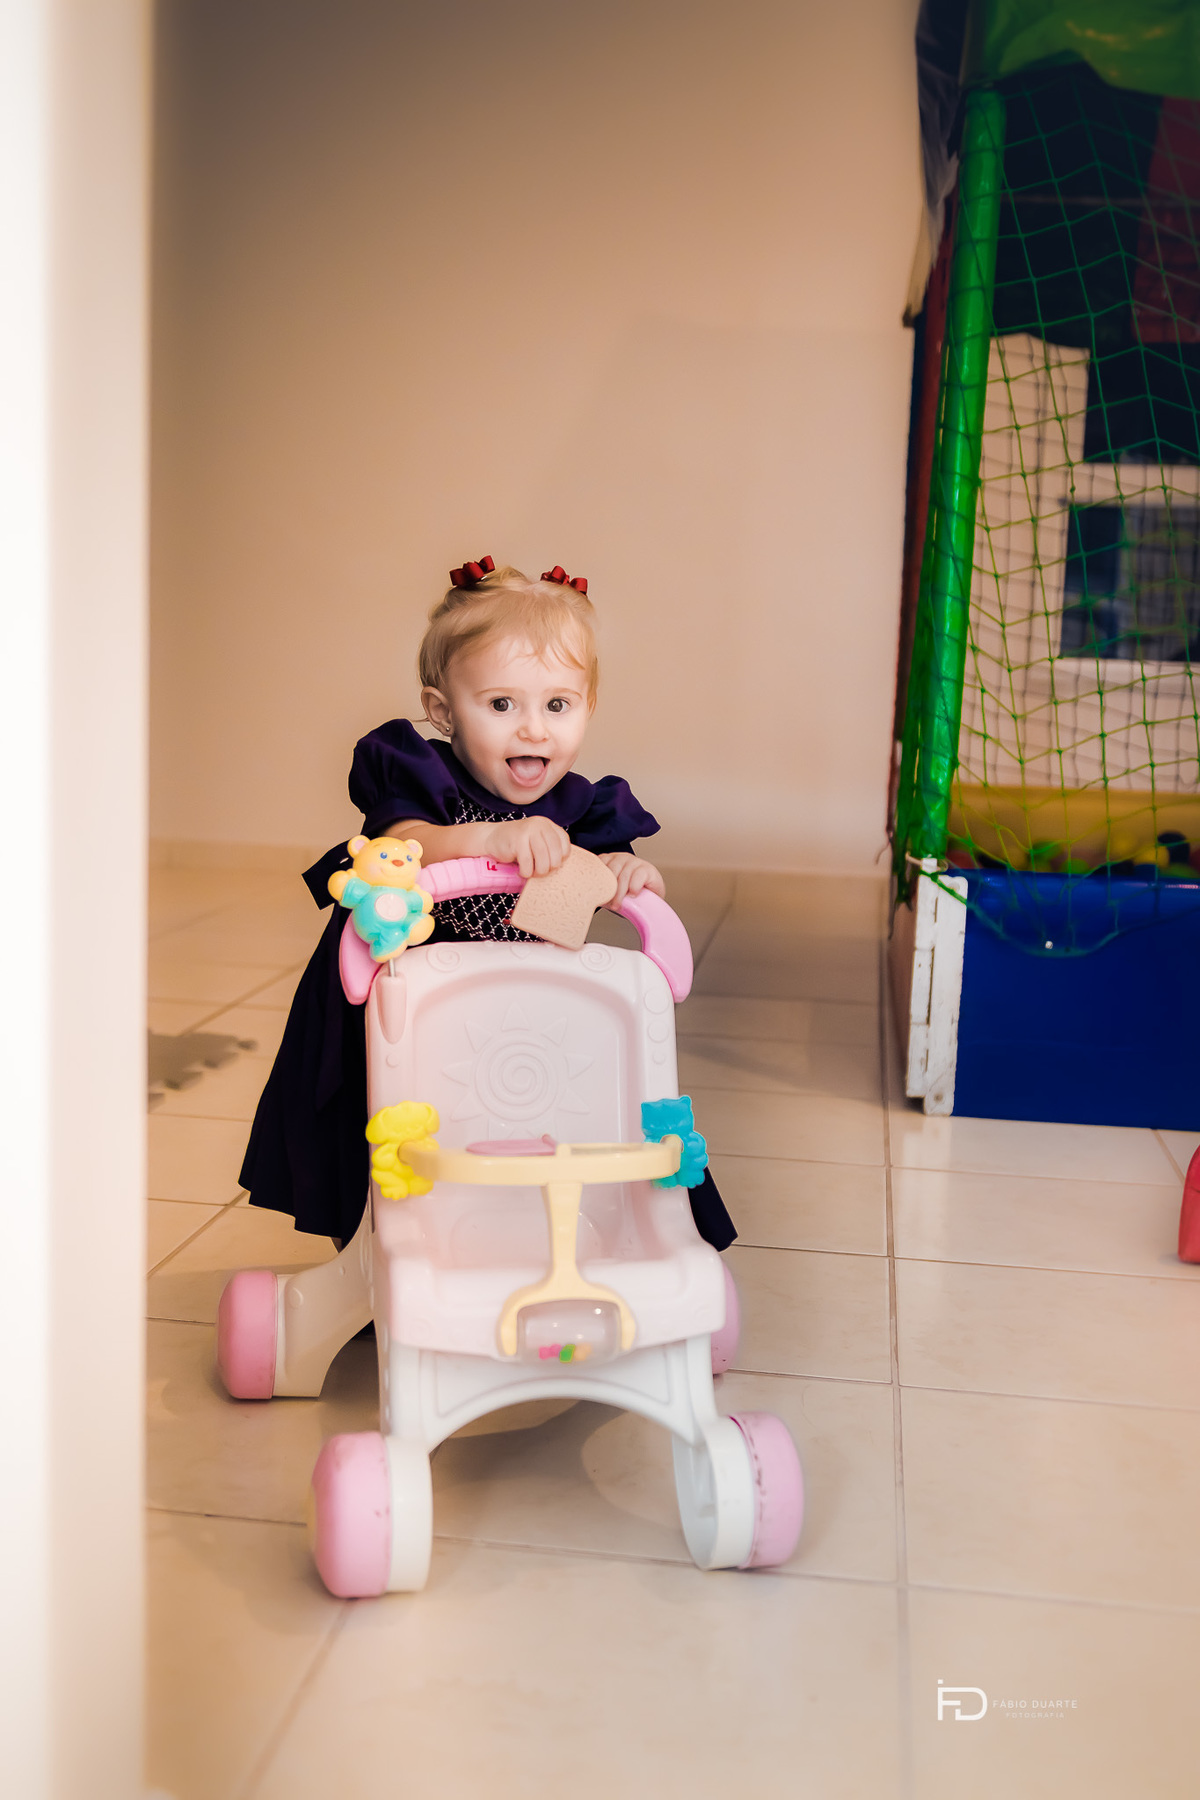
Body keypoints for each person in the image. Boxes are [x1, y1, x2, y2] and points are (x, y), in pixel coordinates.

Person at [240, 557, 736, 1251]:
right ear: (444, 710)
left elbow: (601, 871)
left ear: (588, 706)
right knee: (401, 1123)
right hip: (409, 1001)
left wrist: (622, 870)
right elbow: (402, 841)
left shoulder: (582, 808)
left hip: (523, 1005)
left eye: (557, 705)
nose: (533, 730)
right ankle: (388, 1244)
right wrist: (489, 838)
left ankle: (568, 1227)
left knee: (558, 1101)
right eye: (502, 705)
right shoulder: (422, 775)